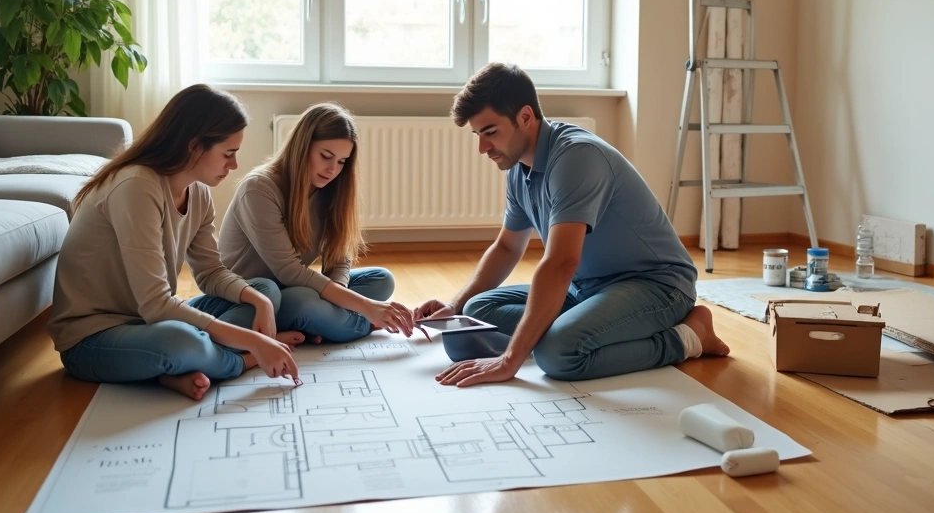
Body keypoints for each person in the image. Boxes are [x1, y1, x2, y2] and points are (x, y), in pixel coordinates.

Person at [414, 62, 729, 388]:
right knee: (476, 309)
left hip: (656, 286)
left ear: (525, 117)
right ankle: (574, 328)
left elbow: (562, 262)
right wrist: (455, 305)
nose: (482, 148)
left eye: (491, 132)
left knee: (558, 353)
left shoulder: (577, 157)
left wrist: (510, 361)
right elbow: (508, 247)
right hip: (585, 289)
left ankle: (691, 337)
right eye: (477, 135)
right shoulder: (518, 170)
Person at [47, 84, 301, 401]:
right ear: (194, 146)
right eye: (228, 154)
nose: (233, 165)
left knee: (264, 290)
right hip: (92, 339)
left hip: (147, 324)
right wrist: (254, 344)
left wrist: (260, 304)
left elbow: (210, 273)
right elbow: (156, 304)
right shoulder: (137, 185)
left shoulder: (199, 192)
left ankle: (178, 370)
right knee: (182, 342)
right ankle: (237, 361)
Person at [218, 102, 416, 343]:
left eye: (343, 161)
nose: (333, 169)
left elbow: (339, 257)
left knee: (381, 279)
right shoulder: (259, 188)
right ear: (302, 147)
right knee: (303, 302)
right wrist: (366, 308)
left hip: (291, 289)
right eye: (326, 156)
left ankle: (323, 323)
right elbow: (290, 271)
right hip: (254, 294)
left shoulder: (329, 189)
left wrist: (338, 292)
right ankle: (356, 325)